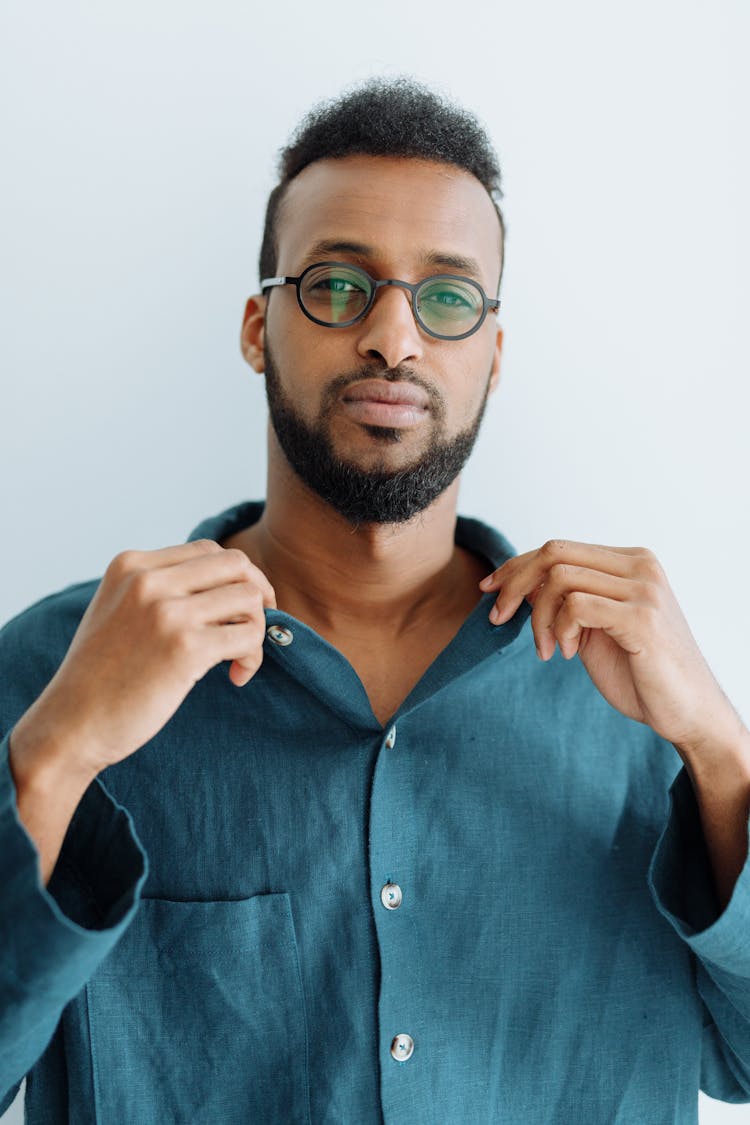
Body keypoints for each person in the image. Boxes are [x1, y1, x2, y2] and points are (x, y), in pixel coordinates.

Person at [1, 77, 749, 1125]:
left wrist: (721, 749)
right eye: (339, 286)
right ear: (261, 329)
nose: (394, 338)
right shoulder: (56, 668)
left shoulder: (636, 689)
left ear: (494, 353)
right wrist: (54, 758)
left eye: (447, 298)